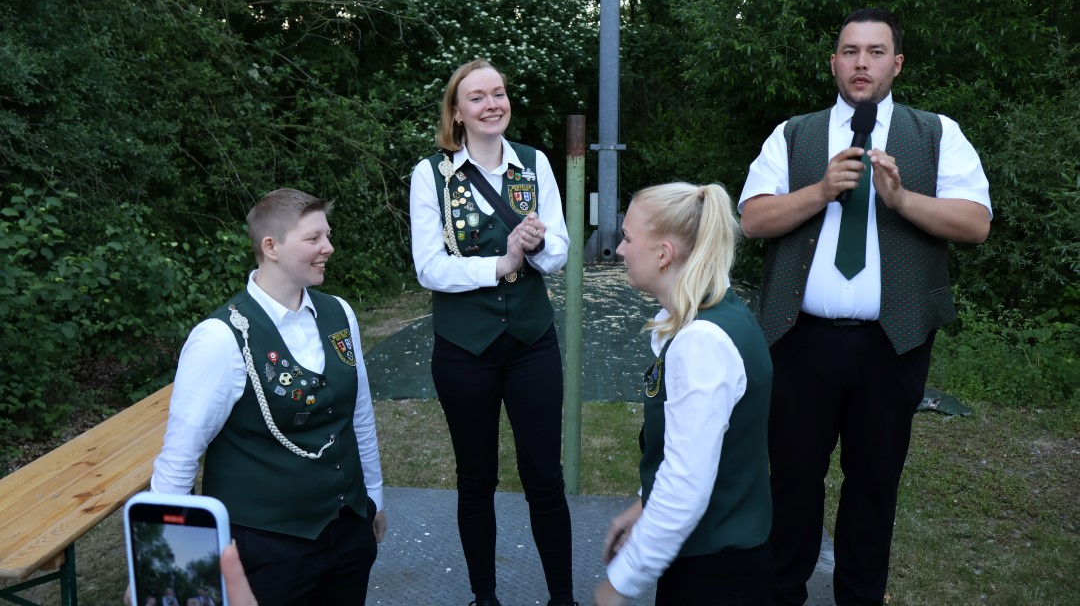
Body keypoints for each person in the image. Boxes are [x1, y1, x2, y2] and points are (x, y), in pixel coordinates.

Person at [738, 7, 992, 605]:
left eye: (875, 52)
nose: (861, 63)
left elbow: (975, 223)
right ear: (834, 63)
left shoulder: (937, 133)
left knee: (874, 489)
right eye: (850, 52)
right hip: (800, 340)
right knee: (792, 482)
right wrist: (821, 191)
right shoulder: (793, 134)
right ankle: (782, 594)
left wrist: (902, 201)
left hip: (893, 342)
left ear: (896, 64)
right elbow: (751, 219)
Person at [150, 188, 388, 606]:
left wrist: (373, 499)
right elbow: (180, 458)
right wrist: (172, 567)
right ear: (271, 247)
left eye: (327, 236)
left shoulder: (339, 313)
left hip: (348, 528)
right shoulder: (219, 338)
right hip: (265, 547)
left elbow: (360, 415)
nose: (328, 248)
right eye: (313, 238)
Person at [409, 59, 576, 606]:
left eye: (498, 93)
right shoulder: (430, 174)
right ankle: (485, 599)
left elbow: (559, 252)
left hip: (532, 344)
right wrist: (501, 264)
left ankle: (562, 599)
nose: (491, 105)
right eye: (477, 97)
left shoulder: (534, 163)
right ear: (456, 112)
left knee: (544, 477)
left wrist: (537, 245)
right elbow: (429, 267)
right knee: (476, 479)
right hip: (464, 351)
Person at [593, 183, 773, 606]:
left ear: (664, 253)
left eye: (628, 238)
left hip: (715, 573)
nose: (621, 250)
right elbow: (700, 450)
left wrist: (620, 583)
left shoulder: (700, 343)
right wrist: (643, 505)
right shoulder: (720, 310)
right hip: (730, 557)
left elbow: (685, 488)